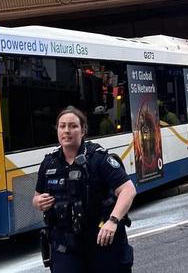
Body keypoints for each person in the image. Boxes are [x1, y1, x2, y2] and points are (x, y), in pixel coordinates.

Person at [33, 106, 136, 272]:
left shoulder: (98, 159)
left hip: (101, 241)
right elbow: (36, 197)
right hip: (66, 245)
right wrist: (39, 202)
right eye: (62, 126)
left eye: (73, 126)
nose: (67, 131)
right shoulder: (49, 163)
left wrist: (113, 221)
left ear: (83, 131)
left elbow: (128, 190)